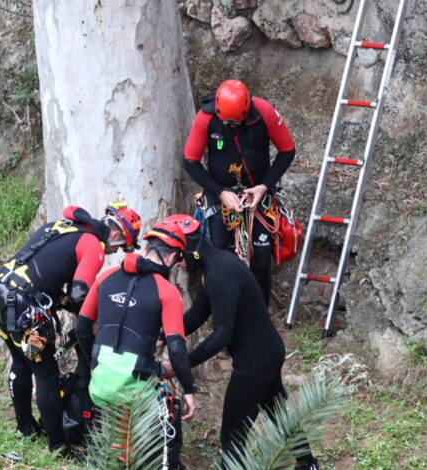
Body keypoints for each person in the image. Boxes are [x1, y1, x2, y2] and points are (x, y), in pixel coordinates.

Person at [0, 202, 142, 457]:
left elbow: (49, 269)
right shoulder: (93, 246)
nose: (113, 252)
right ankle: (57, 446)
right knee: (46, 375)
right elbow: (78, 294)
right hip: (25, 308)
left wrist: (60, 300)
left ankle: (25, 428)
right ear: (117, 235)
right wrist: (91, 321)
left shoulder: (61, 226)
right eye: (119, 247)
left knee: (21, 363)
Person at [160, 215, 318, 470]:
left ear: (189, 251)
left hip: (254, 362)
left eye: (176, 256)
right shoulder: (218, 266)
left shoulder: (220, 276)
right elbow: (197, 315)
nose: (176, 264)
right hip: (268, 352)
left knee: (232, 435)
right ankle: (308, 464)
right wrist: (163, 335)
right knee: (278, 414)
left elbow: (221, 334)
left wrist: (183, 364)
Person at [75, 216, 198, 469]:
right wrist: (188, 390)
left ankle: (116, 457)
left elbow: (82, 326)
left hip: (100, 384)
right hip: (134, 388)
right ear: (172, 256)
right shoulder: (167, 291)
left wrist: (95, 363)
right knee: (167, 418)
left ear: (146, 247)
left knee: (117, 426)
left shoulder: (106, 277)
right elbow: (176, 348)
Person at [183, 79, 296, 308]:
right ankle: (226, 317)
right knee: (222, 259)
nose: (233, 127)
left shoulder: (263, 112)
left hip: (258, 197)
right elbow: (190, 160)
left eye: (237, 122)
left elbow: (287, 150)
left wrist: (264, 187)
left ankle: (259, 316)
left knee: (261, 261)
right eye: (228, 123)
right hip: (221, 198)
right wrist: (220, 192)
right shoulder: (206, 118)